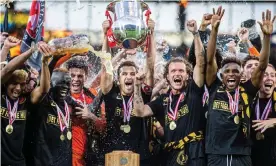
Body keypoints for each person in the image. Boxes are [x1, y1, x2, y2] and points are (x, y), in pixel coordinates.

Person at [205, 7, 274, 166]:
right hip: (216, 153)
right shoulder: (214, 87)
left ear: (241, 75)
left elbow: (262, 65)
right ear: (221, 75)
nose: (231, 74)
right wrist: (214, 30)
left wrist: (267, 37)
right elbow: (209, 61)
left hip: (242, 154)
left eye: (235, 71)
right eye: (227, 71)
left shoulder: (247, 90)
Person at [133, 19, 206, 166]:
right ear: (167, 76)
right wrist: (136, 86)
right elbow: (139, 111)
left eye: (181, 71)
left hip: (194, 154)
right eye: (173, 71)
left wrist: (196, 34)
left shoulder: (194, 89)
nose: (177, 74)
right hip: (171, 156)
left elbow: (201, 61)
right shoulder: (162, 100)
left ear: (188, 75)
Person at [100, 18, 156, 165]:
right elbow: (106, 67)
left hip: (140, 156)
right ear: (118, 79)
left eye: (132, 74)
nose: (129, 76)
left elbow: (150, 66)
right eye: (124, 74)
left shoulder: (142, 93)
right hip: (112, 154)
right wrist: (105, 35)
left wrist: (151, 34)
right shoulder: (111, 92)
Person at [0, 42, 49, 165]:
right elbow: (6, 69)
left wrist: (44, 62)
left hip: (19, 162)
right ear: (6, 82)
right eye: (14, 83)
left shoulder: (26, 101)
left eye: (22, 84)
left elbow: (43, 90)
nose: (17, 88)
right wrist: (32, 50)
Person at [66, 57, 106, 166]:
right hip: (60, 154)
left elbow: (104, 128)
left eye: (80, 76)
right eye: (72, 75)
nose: (75, 79)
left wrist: (91, 116)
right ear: (66, 76)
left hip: (83, 157)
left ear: (86, 77)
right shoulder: (58, 95)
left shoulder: (91, 98)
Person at [251, 64, 276, 166]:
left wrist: (274, 121)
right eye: (265, 75)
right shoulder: (248, 99)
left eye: (272, 75)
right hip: (250, 158)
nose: (269, 78)